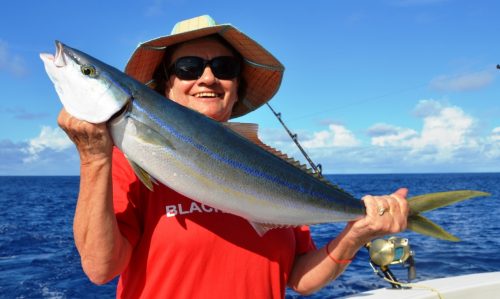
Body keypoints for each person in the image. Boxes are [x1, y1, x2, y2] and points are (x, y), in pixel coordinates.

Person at [57, 15, 409, 298]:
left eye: (224, 67)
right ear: (167, 85)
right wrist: (94, 160)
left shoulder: (272, 169)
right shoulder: (128, 161)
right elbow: (101, 269)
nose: (207, 77)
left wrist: (355, 234)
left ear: (236, 87)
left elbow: (300, 279)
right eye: (189, 67)